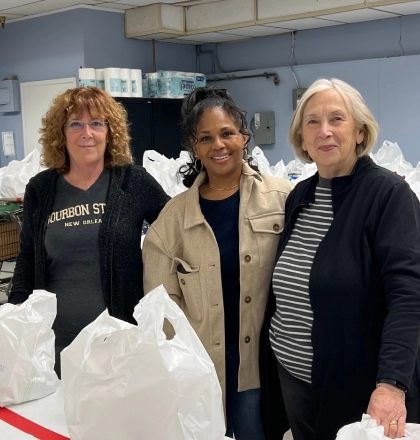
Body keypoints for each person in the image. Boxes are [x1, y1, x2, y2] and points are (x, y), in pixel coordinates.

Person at [268, 78, 420, 440]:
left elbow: (409, 296)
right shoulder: (300, 196)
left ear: (360, 132)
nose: (325, 132)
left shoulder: (389, 196)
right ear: (301, 137)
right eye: (312, 122)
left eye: (337, 119)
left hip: (357, 385)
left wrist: (391, 385)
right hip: (294, 376)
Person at [142, 87, 293, 440]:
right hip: (202, 364)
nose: (219, 145)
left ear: (243, 136)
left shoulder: (282, 199)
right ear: (194, 147)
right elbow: (161, 305)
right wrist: (183, 365)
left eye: (227, 133)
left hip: (264, 360)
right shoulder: (173, 221)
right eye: (206, 138)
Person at [8, 86, 170, 375]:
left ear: (110, 131)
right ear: (61, 132)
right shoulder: (41, 188)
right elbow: (28, 257)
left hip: (122, 340)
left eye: (97, 123)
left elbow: (177, 229)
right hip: (57, 343)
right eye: (76, 124)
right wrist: (16, 314)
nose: (87, 133)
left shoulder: (133, 182)